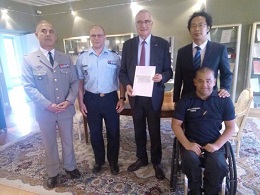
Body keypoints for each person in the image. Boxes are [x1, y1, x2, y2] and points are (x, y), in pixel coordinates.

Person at [21, 20, 80, 188]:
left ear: (56, 35)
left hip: (65, 110)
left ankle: (70, 167)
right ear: (36, 35)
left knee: (68, 140)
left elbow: (74, 82)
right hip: (44, 111)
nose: (48, 34)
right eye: (43, 31)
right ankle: (53, 172)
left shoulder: (65, 57)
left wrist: (69, 101)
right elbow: (28, 86)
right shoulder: (29, 60)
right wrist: (47, 104)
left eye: (51, 31)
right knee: (49, 142)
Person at [119, 9, 173, 180]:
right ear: (136, 25)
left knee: (155, 130)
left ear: (151, 23)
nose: (143, 25)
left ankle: (156, 162)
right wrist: (127, 84)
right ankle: (141, 158)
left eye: (146, 21)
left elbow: (169, 71)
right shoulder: (128, 45)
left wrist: (162, 77)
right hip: (135, 95)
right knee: (138, 129)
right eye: (139, 22)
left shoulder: (162, 44)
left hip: (154, 96)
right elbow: (122, 72)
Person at [172, 67, 236, 195]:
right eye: (200, 81)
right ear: (194, 82)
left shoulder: (224, 101)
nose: (204, 85)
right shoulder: (185, 100)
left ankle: (210, 191)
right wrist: (187, 144)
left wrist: (217, 145)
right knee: (189, 160)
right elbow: (175, 125)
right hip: (191, 141)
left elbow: (231, 127)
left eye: (208, 81)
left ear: (214, 82)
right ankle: (194, 190)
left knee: (218, 163)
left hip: (214, 141)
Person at [76, 25, 125, 175]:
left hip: (110, 98)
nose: (96, 38)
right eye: (93, 36)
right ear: (90, 38)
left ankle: (113, 162)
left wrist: (122, 98)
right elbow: (79, 82)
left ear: (105, 37)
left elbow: (121, 79)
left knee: (113, 132)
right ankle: (99, 161)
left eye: (99, 35)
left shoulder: (115, 57)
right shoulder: (82, 58)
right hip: (90, 99)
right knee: (95, 133)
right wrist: (81, 101)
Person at [173, 10, 233, 103]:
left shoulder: (219, 49)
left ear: (208, 28)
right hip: (188, 99)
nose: (197, 29)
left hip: (210, 98)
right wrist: (176, 100)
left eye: (201, 25)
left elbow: (226, 73)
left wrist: (224, 88)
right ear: (189, 29)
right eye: (193, 26)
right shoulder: (182, 52)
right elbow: (178, 78)